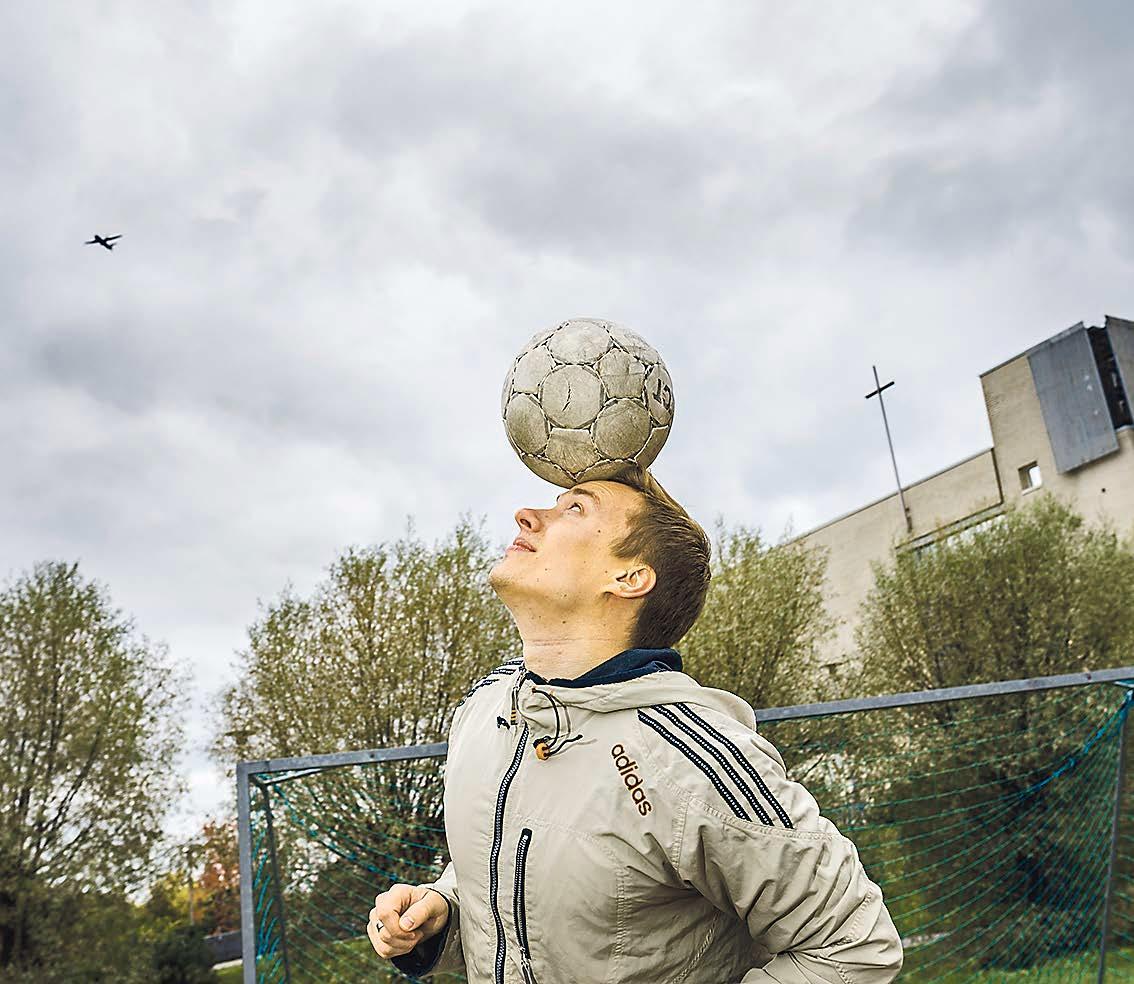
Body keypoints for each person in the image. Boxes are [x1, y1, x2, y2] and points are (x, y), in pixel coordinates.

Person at [366, 464, 903, 983]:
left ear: (629, 577)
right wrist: (443, 911)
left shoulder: (696, 760)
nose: (526, 515)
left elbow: (853, 947)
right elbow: (516, 885)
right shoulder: (486, 709)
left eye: (574, 509)